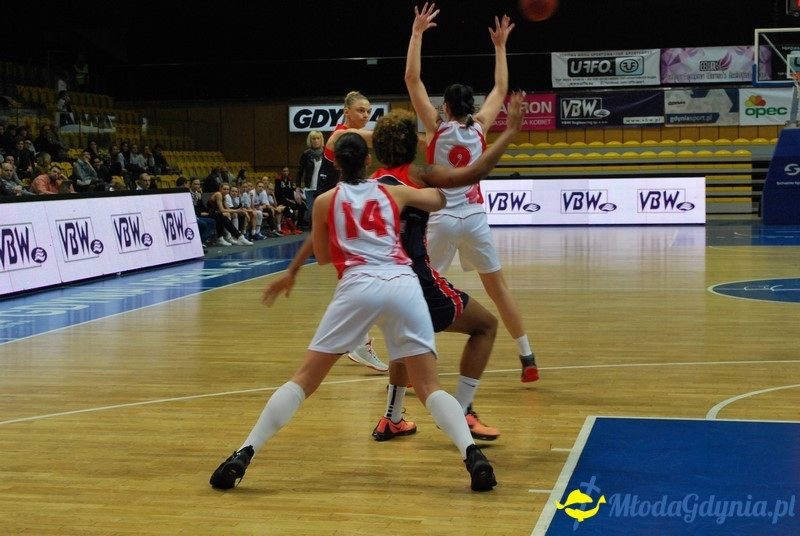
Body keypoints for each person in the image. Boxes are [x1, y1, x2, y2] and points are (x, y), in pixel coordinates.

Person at [209, 131, 497, 493]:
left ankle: (244, 452)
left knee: (304, 380)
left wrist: (295, 271)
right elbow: (439, 199)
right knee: (428, 386)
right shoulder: (394, 191)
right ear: (367, 162)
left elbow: (326, 257)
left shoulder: (326, 201)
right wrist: (425, 173)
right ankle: (472, 455)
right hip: (403, 283)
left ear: (336, 165)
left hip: (359, 284)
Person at [406, 3, 539, 383]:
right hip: (476, 217)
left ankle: (415, 365)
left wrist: (417, 34)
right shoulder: (481, 127)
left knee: (421, 292)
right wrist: (500, 46)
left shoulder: (435, 126)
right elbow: (501, 87)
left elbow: (413, 79)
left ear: (445, 107)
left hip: (443, 218)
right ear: (471, 107)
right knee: (498, 290)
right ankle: (527, 357)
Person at [206, 182, 254, 246]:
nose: (226, 191)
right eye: (224, 189)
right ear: (220, 189)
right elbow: (222, 210)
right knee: (225, 215)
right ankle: (227, 237)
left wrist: (236, 211)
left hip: (217, 214)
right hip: (209, 214)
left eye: (227, 189)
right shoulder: (218, 194)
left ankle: (238, 237)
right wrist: (237, 210)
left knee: (232, 214)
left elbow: (228, 208)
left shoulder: (224, 196)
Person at [296, 130, 325, 228]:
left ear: (321, 140)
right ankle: (313, 236)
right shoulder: (306, 154)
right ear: (310, 140)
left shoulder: (325, 153)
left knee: (322, 213)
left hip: (322, 188)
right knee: (312, 213)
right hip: (310, 188)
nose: (316, 141)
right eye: (313, 139)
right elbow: (300, 171)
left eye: (318, 138)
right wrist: (297, 188)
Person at [274, 167, 304, 234]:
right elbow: (278, 192)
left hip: (290, 200)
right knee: (290, 209)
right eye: (284, 171)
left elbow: (290, 191)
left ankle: (299, 224)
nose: (285, 172)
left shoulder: (290, 180)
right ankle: (292, 227)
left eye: (287, 171)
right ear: (282, 172)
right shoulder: (278, 180)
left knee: (302, 207)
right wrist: (287, 199)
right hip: (281, 200)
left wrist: (292, 199)